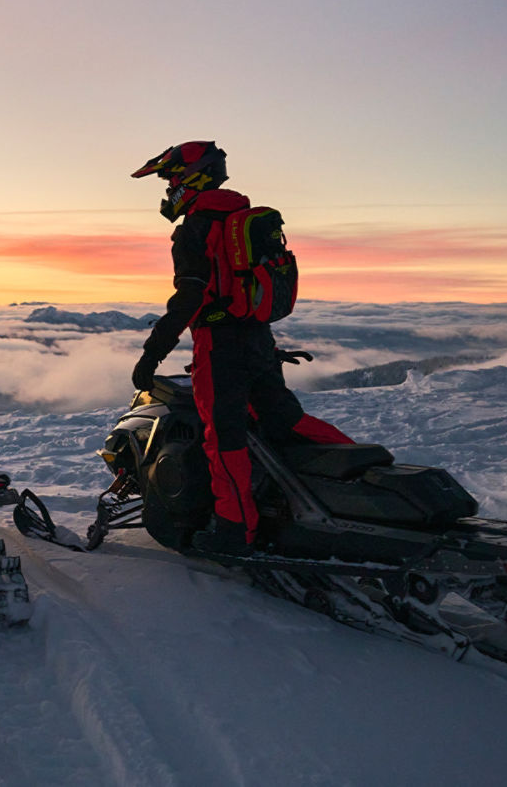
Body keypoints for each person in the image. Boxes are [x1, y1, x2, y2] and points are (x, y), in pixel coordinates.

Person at [130, 142, 353, 556]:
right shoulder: (242, 218)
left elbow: (190, 297)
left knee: (224, 437)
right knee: (285, 420)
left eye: (170, 179)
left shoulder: (197, 227)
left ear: (191, 176)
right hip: (257, 338)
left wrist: (153, 352)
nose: (168, 190)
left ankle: (236, 530)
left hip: (220, 347)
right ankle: (361, 469)